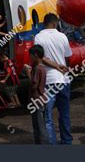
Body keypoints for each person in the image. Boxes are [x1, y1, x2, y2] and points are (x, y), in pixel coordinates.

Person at [34, 13, 72, 145]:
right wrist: (62, 67)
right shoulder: (62, 36)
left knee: (47, 117)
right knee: (64, 114)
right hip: (63, 80)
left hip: (48, 81)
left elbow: (40, 57)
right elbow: (68, 58)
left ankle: (51, 143)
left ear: (44, 23)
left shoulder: (38, 37)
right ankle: (67, 141)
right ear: (55, 23)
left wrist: (54, 66)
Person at [27, 45, 49, 144]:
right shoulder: (43, 68)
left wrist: (28, 73)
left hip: (36, 99)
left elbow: (34, 84)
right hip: (42, 98)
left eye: (31, 55)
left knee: (39, 126)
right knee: (40, 124)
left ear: (35, 55)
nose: (30, 57)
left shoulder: (37, 69)